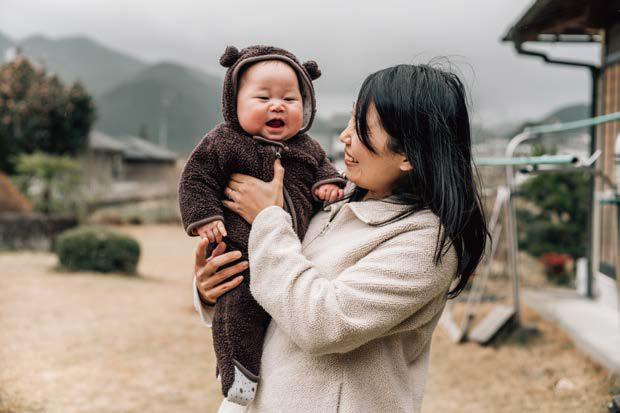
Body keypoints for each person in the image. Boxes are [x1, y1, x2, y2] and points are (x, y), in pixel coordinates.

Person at [193, 63, 489, 412]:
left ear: (408, 154)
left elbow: (323, 325)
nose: (345, 137)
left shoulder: (425, 243)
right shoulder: (332, 199)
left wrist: (267, 220)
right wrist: (214, 288)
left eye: (362, 128)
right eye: (350, 120)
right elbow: (279, 291)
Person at [178, 45, 346, 405]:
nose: (278, 105)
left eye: (290, 98)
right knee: (237, 310)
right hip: (240, 252)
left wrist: (328, 185)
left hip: (291, 256)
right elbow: (196, 180)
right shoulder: (224, 142)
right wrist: (204, 218)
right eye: (263, 97)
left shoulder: (309, 148)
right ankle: (237, 370)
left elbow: (326, 171)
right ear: (233, 103)